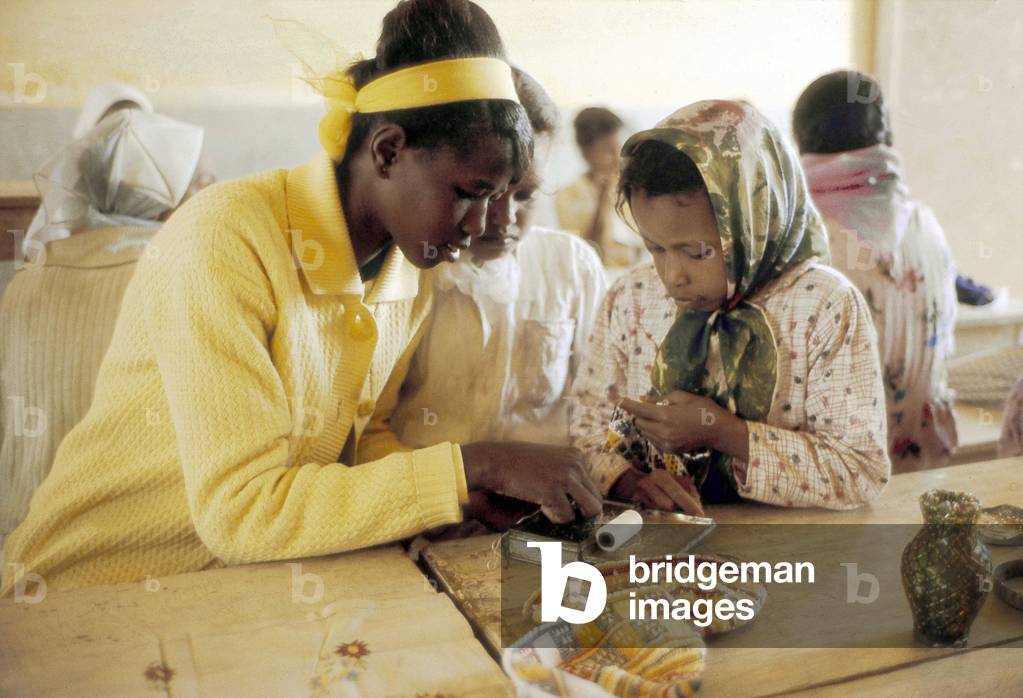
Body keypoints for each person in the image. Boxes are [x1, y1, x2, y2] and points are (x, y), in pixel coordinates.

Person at [1, 0, 600, 596]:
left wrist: (462, 500)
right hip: (94, 593)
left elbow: (362, 444)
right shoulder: (229, 235)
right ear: (388, 151)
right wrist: (475, 464)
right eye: (473, 192)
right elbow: (242, 511)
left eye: (504, 197)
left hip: (249, 588)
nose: (481, 227)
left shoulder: (409, 269)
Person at [570, 100, 891, 513]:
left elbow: (859, 470)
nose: (673, 276)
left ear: (756, 220)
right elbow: (586, 429)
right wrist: (630, 482)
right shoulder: (631, 298)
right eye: (655, 248)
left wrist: (722, 432)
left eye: (698, 252)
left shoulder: (822, 306)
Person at [392, 70, 606, 526]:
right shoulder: (405, 273)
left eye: (526, 195)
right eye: (484, 192)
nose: (504, 218)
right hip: (424, 522)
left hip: (551, 522)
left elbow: (601, 406)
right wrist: (449, 499)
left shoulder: (571, 267)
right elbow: (367, 430)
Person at [0, 109, 205, 558]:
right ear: (166, 201)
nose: (202, 190)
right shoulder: (172, 277)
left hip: (17, 530)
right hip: (122, 541)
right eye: (194, 181)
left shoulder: (25, 282)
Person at [794, 70, 958, 472]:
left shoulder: (805, 235)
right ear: (885, 137)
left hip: (841, 477)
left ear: (802, 138)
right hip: (924, 469)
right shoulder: (927, 225)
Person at [555, 107, 645, 269]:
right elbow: (584, 254)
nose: (618, 159)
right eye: (608, 151)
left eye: (620, 148)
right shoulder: (569, 195)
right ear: (586, 153)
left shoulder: (633, 187)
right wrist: (602, 203)